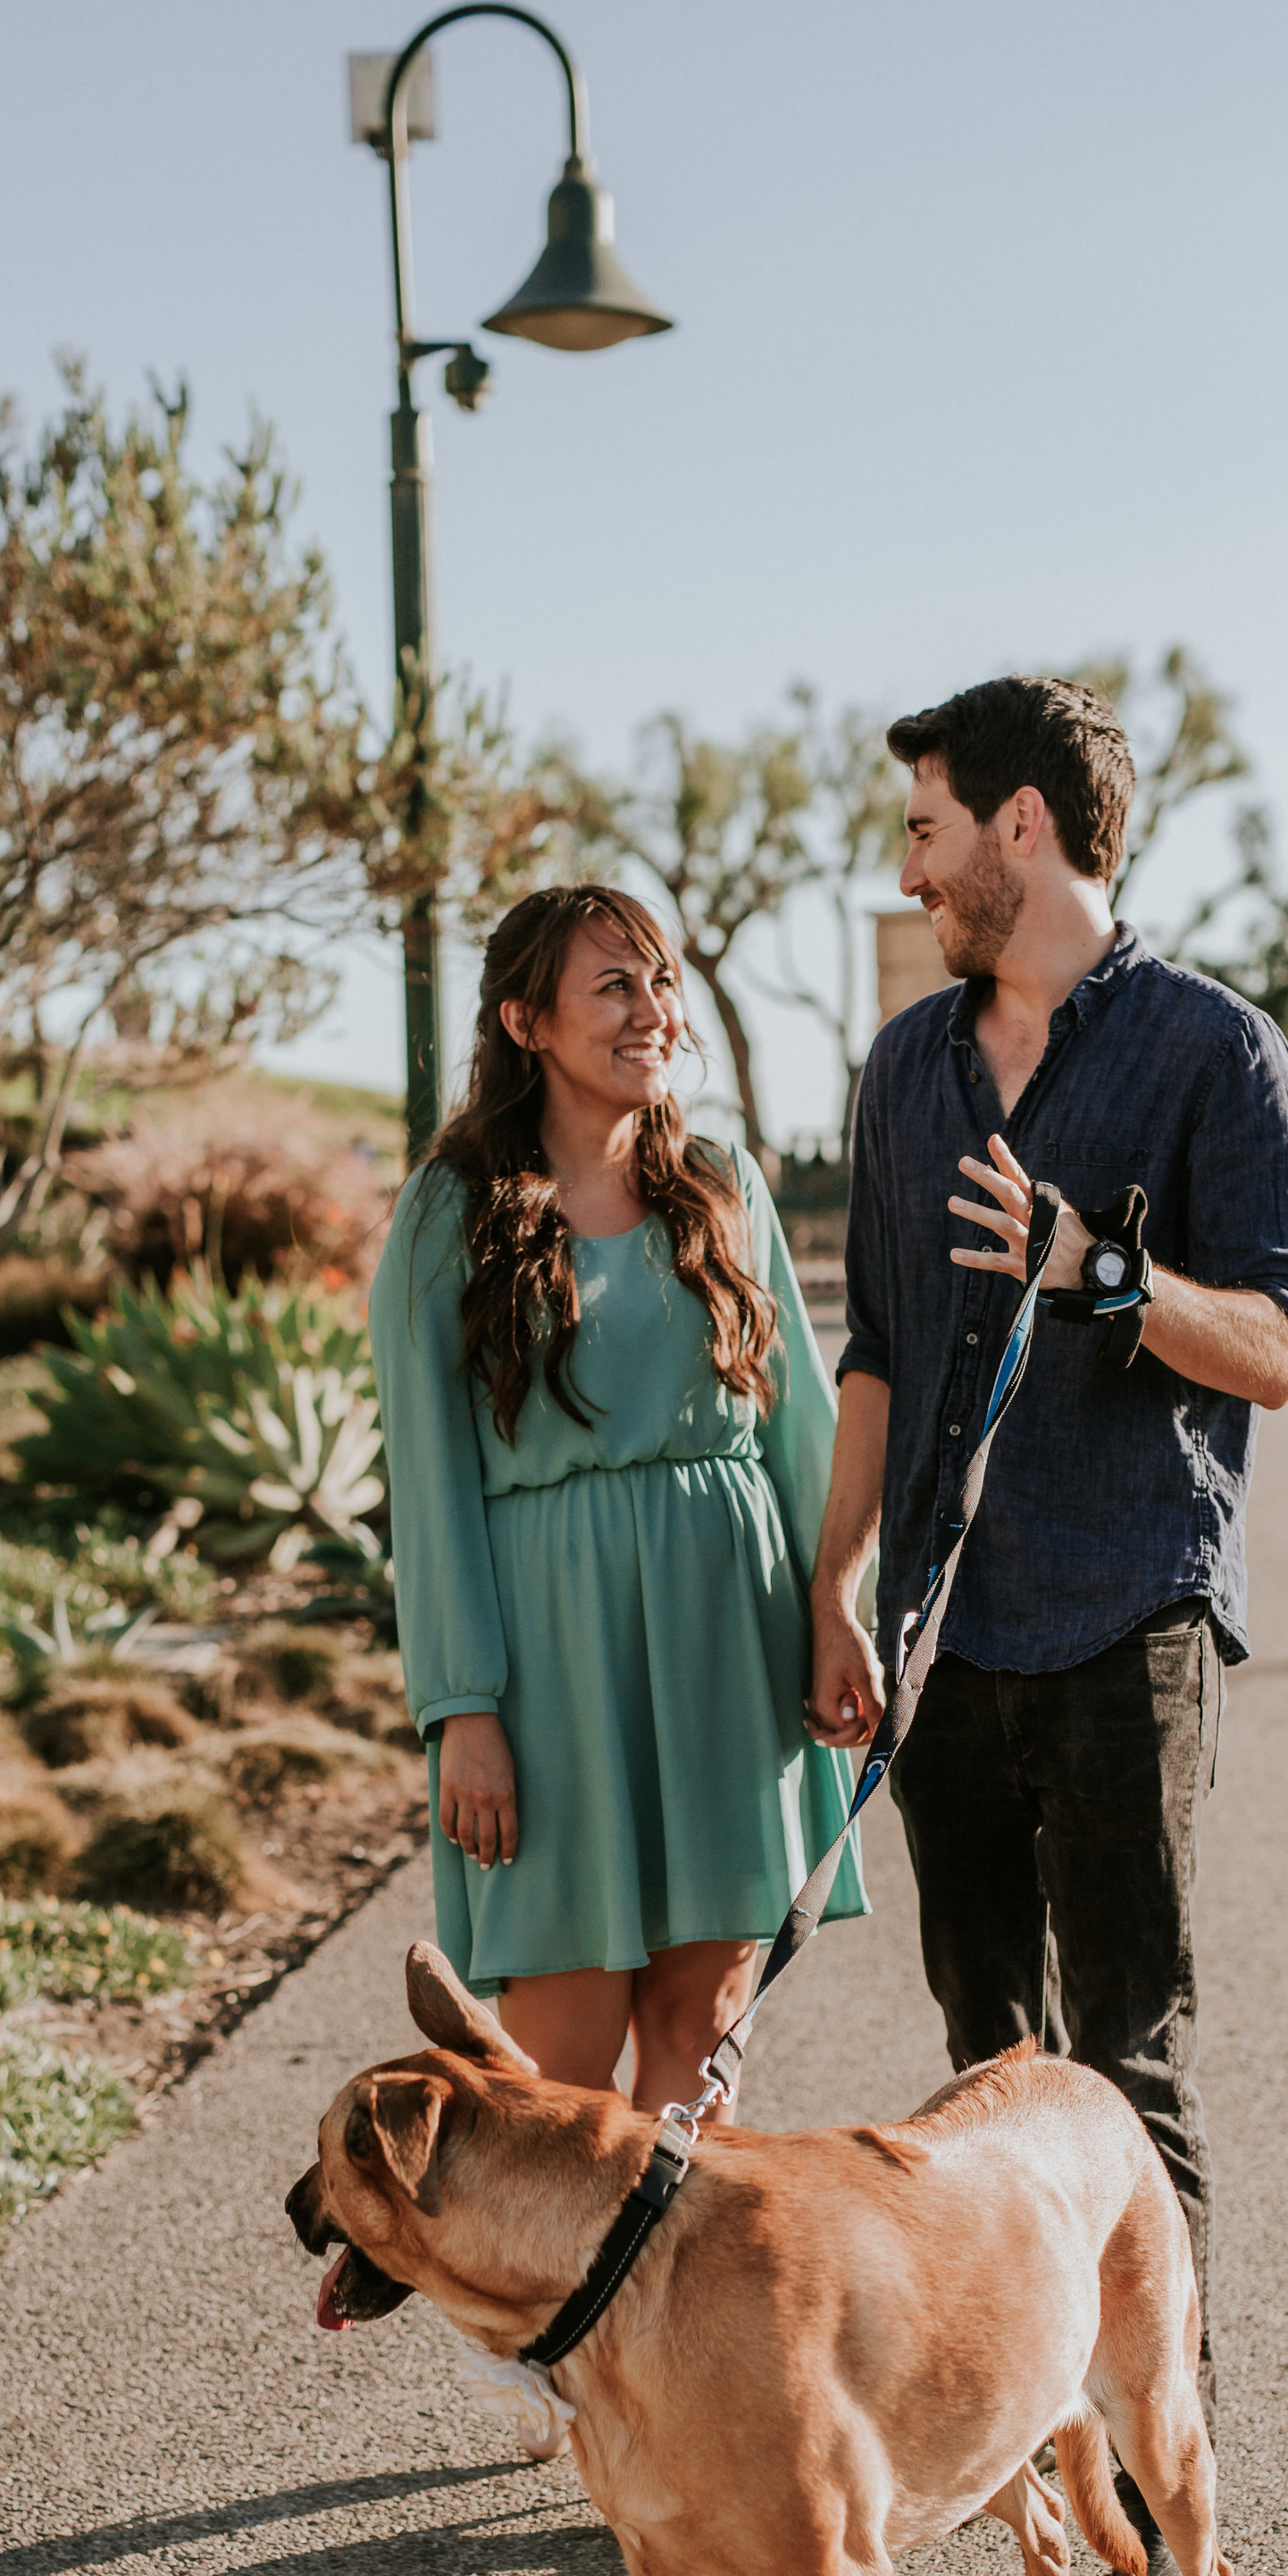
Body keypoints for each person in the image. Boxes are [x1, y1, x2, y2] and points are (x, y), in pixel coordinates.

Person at [805, 675, 1288, 2576]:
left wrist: (1099, 1272)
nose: (908, 864)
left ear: (1020, 829)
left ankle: (1159, 2521)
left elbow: (1276, 1345)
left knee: (1120, 2063)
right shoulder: (906, 1067)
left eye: (926, 826)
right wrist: (835, 1584)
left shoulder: (1214, 1055)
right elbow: (871, 1353)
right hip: (946, 1634)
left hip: (1125, 1625)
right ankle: (1035, 2493)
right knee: (981, 2077)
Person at [371, 883, 864, 2114]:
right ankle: (566, 2312)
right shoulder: (449, 1215)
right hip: (553, 1666)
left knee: (700, 2051)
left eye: (661, 983)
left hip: (726, 1646)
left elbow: (799, 1422)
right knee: (558, 2080)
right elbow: (429, 1486)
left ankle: (679, 2313)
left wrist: (837, 1606)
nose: (654, 1012)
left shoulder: (721, 1181)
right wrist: (462, 1709)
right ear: (526, 1020)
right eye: (614, 986)